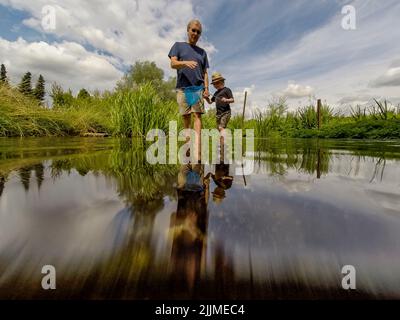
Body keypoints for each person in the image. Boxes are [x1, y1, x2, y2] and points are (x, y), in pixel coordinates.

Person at [168, 19, 210, 162]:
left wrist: (206, 89)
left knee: (197, 115)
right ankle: (187, 144)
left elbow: (205, 73)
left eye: (198, 32)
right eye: (193, 30)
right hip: (183, 87)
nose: (195, 34)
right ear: (188, 30)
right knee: (186, 117)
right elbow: (173, 64)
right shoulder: (178, 46)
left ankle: (197, 146)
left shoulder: (202, 53)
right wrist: (185, 63)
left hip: (197, 87)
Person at [205, 72, 234, 151]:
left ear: (222, 82)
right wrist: (206, 98)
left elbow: (232, 100)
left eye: (217, 83)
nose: (216, 85)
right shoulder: (216, 93)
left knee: (221, 128)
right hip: (218, 114)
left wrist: (226, 100)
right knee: (219, 130)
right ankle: (222, 144)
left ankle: (223, 145)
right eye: (214, 84)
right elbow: (210, 102)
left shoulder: (227, 90)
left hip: (226, 112)